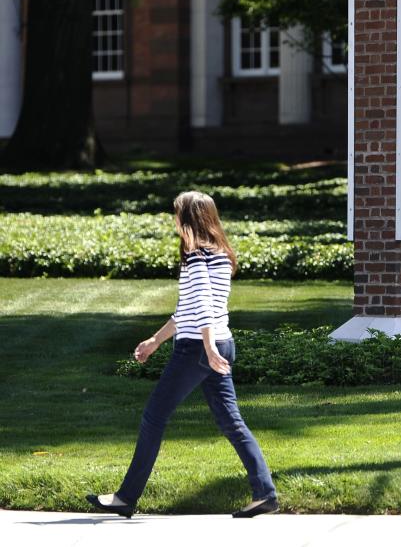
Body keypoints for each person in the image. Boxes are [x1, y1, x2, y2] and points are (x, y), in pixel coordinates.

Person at [86, 190, 278, 519]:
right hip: (219, 342)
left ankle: (125, 498)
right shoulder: (220, 253)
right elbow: (187, 310)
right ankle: (265, 494)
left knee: (153, 417)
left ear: (188, 220)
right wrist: (155, 340)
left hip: (198, 349)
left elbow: (202, 305)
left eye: (177, 215)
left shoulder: (197, 256)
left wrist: (206, 347)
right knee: (231, 422)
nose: (173, 220)